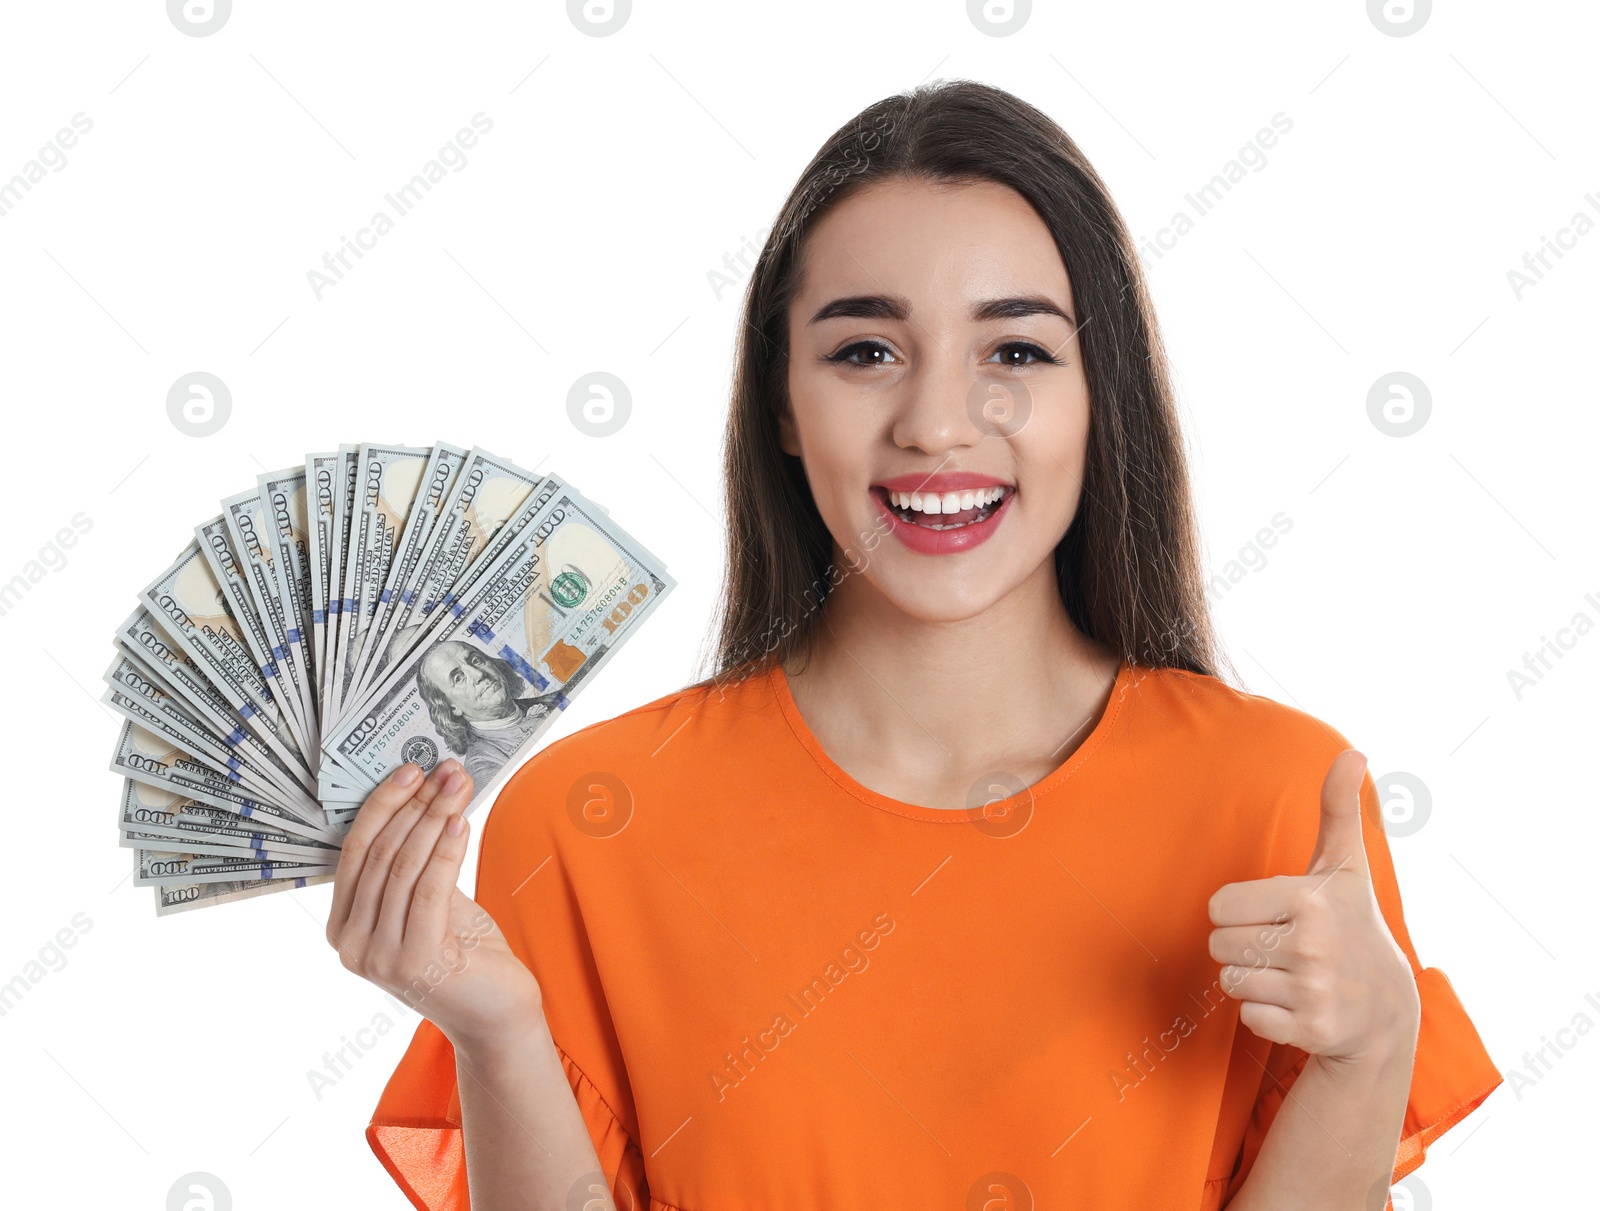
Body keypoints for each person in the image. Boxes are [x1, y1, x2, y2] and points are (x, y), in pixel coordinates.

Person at [326, 81, 1501, 1210]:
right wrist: (496, 1029)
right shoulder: (585, 822)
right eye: (865, 351)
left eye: (1018, 352)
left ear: (1104, 396)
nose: (939, 422)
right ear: (781, 401)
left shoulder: (1284, 803)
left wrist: (1372, 1048)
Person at [414, 640, 564, 787]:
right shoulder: (484, 768)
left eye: (475, 660)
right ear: (451, 707)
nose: (478, 674)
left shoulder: (558, 699)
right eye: (458, 678)